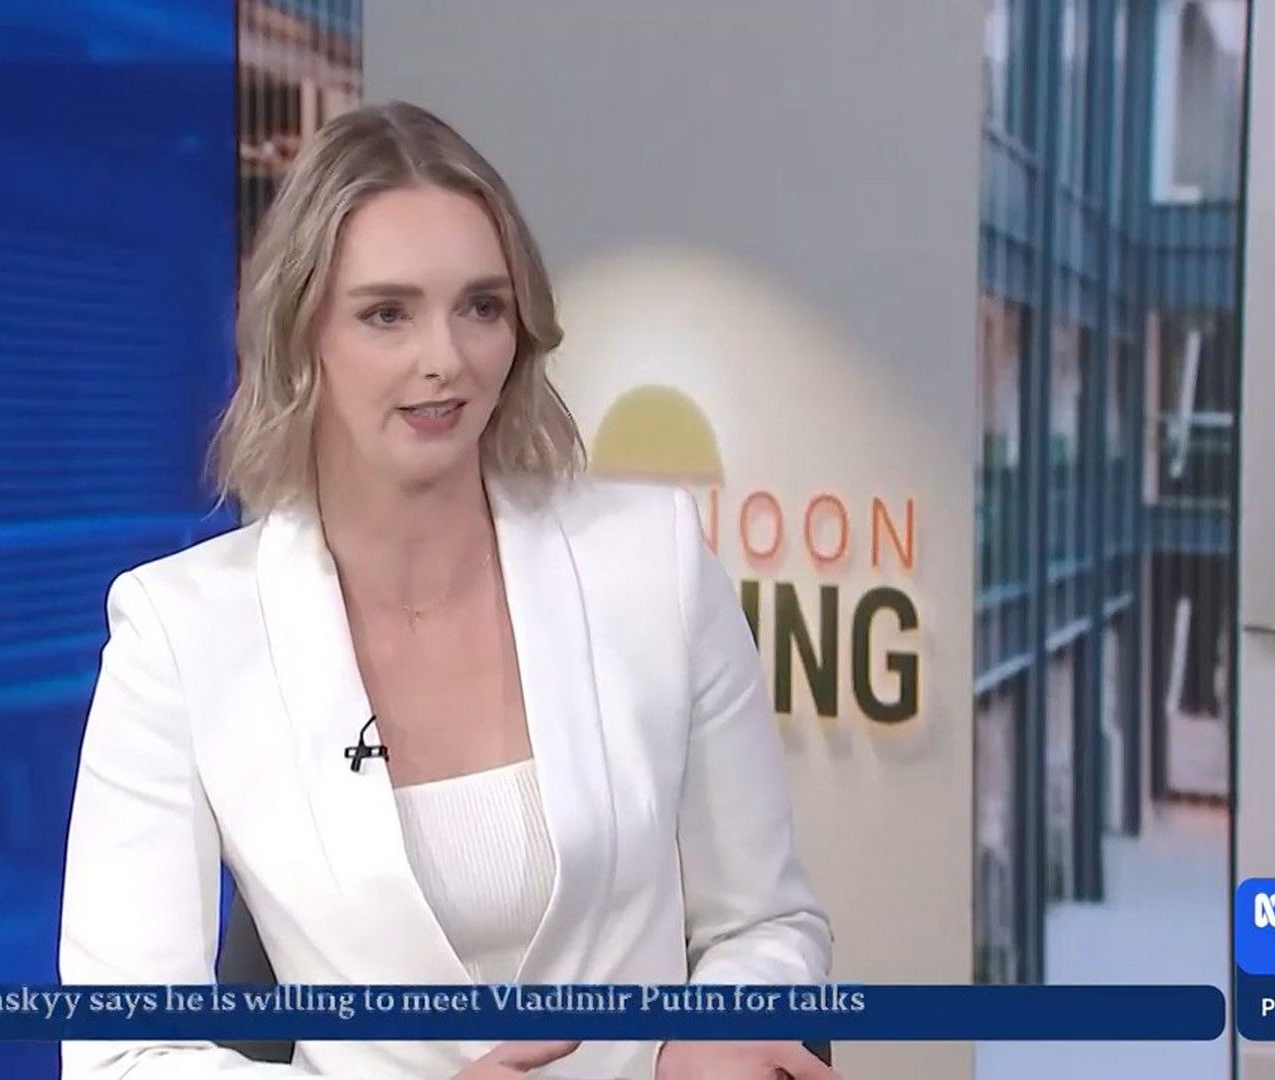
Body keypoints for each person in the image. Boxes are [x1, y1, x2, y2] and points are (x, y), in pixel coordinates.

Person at [58, 100, 836, 1080]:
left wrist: (716, 1034)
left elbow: (766, 923)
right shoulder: (179, 633)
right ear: (302, 336)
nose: (447, 359)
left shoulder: (654, 561)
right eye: (387, 313)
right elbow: (123, 1054)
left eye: (482, 307)